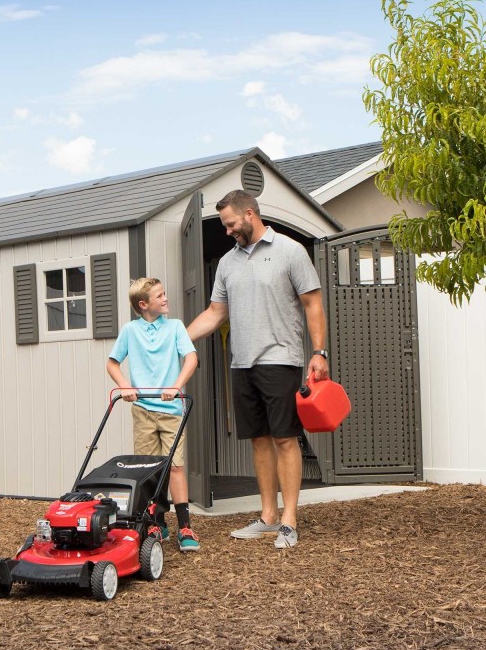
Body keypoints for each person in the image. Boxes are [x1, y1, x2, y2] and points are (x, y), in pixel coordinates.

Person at [186, 190, 329, 549]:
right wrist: (178, 338)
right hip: (242, 362)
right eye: (225, 225)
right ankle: (267, 515)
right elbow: (216, 312)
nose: (228, 230)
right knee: (259, 439)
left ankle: (289, 519)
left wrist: (319, 352)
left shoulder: (290, 251)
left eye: (231, 223)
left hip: (280, 358)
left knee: (284, 438)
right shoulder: (227, 263)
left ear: (250, 214)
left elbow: (312, 303)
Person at [106, 277, 200, 552]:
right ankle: (157, 523)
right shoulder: (130, 331)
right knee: (149, 469)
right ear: (143, 304)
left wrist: (176, 386)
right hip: (144, 409)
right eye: (160, 296)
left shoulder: (175, 327)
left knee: (176, 466)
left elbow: (191, 358)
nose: (165, 298)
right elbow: (112, 363)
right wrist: (125, 386)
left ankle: (184, 525)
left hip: (171, 410)